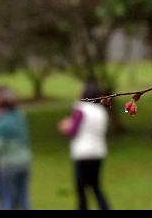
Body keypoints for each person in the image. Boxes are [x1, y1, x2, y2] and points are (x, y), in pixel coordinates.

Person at [58, 80, 111, 210]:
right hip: (98, 151)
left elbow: (73, 131)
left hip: (83, 153)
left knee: (81, 188)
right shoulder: (101, 110)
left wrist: (65, 126)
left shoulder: (81, 109)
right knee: (96, 186)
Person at [0, 85, 32, 210]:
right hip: (25, 161)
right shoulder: (19, 116)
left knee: (6, 199)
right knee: (23, 197)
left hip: (8, 164)